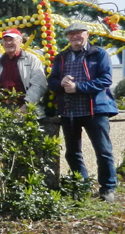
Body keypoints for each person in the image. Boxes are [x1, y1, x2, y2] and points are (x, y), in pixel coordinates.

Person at [47, 21, 119, 202]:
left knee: (103, 151)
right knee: (72, 153)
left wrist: (78, 87)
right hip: (69, 111)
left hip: (95, 110)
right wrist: (61, 85)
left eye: (79, 33)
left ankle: (108, 188)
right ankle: (83, 185)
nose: (74, 37)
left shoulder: (98, 54)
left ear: (87, 34)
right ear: (67, 37)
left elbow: (105, 80)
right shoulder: (61, 57)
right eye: (71, 34)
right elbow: (52, 81)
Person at [0, 28, 48, 116]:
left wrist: (25, 107)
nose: (8, 43)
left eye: (11, 40)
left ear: (20, 41)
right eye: (5, 40)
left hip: (26, 110)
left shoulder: (32, 60)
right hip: (1, 110)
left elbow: (38, 85)